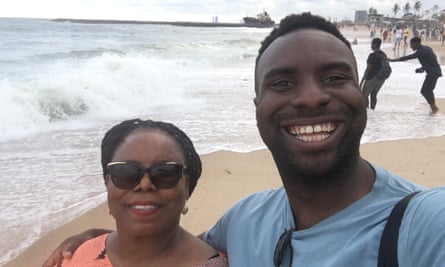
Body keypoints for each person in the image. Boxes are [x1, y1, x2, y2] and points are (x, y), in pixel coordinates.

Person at [43, 13, 445, 267]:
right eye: (283, 82)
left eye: (334, 77)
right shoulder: (247, 219)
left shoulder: (424, 224)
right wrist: (106, 239)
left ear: (360, 93)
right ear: (258, 106)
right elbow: (170, 248)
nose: (310, 96)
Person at [50, 119, 228, 267]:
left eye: (164, 172)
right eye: (126, 173)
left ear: (186, 186)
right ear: (107, 183)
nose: (144, 184)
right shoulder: (79, 256)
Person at [389, 37, 442, 114]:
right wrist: (423, 68)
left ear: (416, 43)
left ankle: (433, 107)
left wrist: (392, 60)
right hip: (434, 72)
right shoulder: (426, 48)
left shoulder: (421, 51)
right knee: (427, 90)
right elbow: (432, 60)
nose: (411, 46)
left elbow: (408, 57)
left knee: (425, 91)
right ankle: (433, 106)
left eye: (412, 44)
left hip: (433, 73)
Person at [359, 38, 389, 110]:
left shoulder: (372, 55)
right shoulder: (383, 54)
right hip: (382, 78)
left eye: (372, 44)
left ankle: (366, 110)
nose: (371, 46)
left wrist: (363, 79)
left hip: (372, 77)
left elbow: (368, 68)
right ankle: (372, 110)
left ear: (374, 45)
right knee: (374, 94)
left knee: (364, 95)